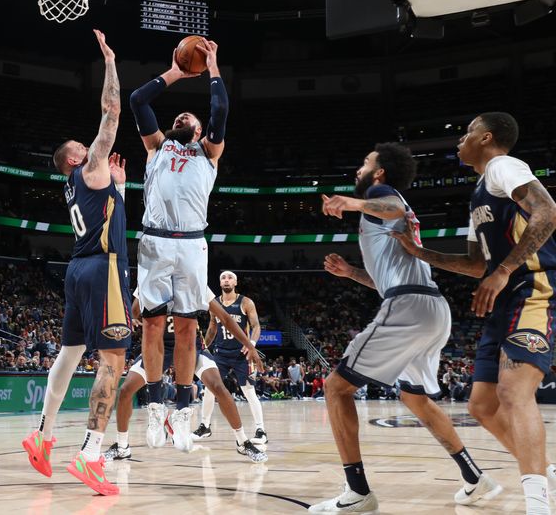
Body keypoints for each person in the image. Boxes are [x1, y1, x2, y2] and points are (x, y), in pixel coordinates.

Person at [308, 143, 500, 513]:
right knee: (415, 398)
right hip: (430, 306)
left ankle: (358, 492)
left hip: (409, 308)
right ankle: (476, 478)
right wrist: (351, 274)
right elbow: (390, 279)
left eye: (365, 163)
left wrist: (352, 202)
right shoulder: (387, 211)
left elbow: (391, 207)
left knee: (336, 388)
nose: (358, 170)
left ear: (379, 173)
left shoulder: (382, 196)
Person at [392, 113, 556, 514]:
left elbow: (548, 212)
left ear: (486, 138)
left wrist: (502, 271)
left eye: (466, 133)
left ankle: (539, 503)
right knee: (482, 406)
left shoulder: (504, 166)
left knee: (514, 392)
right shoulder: (479, 194)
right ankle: (546, 474)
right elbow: (473, 264)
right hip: (503, 301)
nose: (459, 141)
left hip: (533, 289)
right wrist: (421, 253)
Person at [22, 30, 132, 496]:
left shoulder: (78, 186)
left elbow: (109, 214)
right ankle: (90, 454)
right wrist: (109, 61)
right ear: (75, 157)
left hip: (77, 270)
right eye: (84, 149)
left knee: (68, 357)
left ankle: (42, 436)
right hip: (103, 269)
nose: (93, 149)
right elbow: (112, 112)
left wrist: (121, 188)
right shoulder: (88, 167)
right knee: (113, 360)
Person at [130, 37, 252, 454]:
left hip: (190, 245)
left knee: (186, 328)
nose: (183, 116)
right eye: (179, 115)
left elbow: (220, 109)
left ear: (200, 131)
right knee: (151, 325)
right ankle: (154, 405)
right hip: (154, 242)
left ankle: (182, 409)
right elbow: (138, 100)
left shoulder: (209, 152)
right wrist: (177, 73)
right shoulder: (157, 145)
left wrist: (213, 65)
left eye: (190, 117)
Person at [103, 289, 265, 463]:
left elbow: (225, 318)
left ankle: (242, 442)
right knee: (126, 389)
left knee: (218, 387)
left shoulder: (192, 278)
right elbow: (134, 311)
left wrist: (250, 345)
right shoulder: (153, 278)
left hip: (191, 346)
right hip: (159, 347)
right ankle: (122, 447)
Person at [195, 271, 267, 445]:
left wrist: (251, 344)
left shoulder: (245, 302)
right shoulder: (215, 303)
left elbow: (256, 326)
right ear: (220, 284)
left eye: (230, 278)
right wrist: (203, 347)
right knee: (210, 388)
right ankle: (205, 426)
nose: (226, 280)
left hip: (242, 354)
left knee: (249, 391)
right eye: (223, 278)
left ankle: (260, 431)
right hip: (221, 353)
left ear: (236, 282)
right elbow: (212, 328)